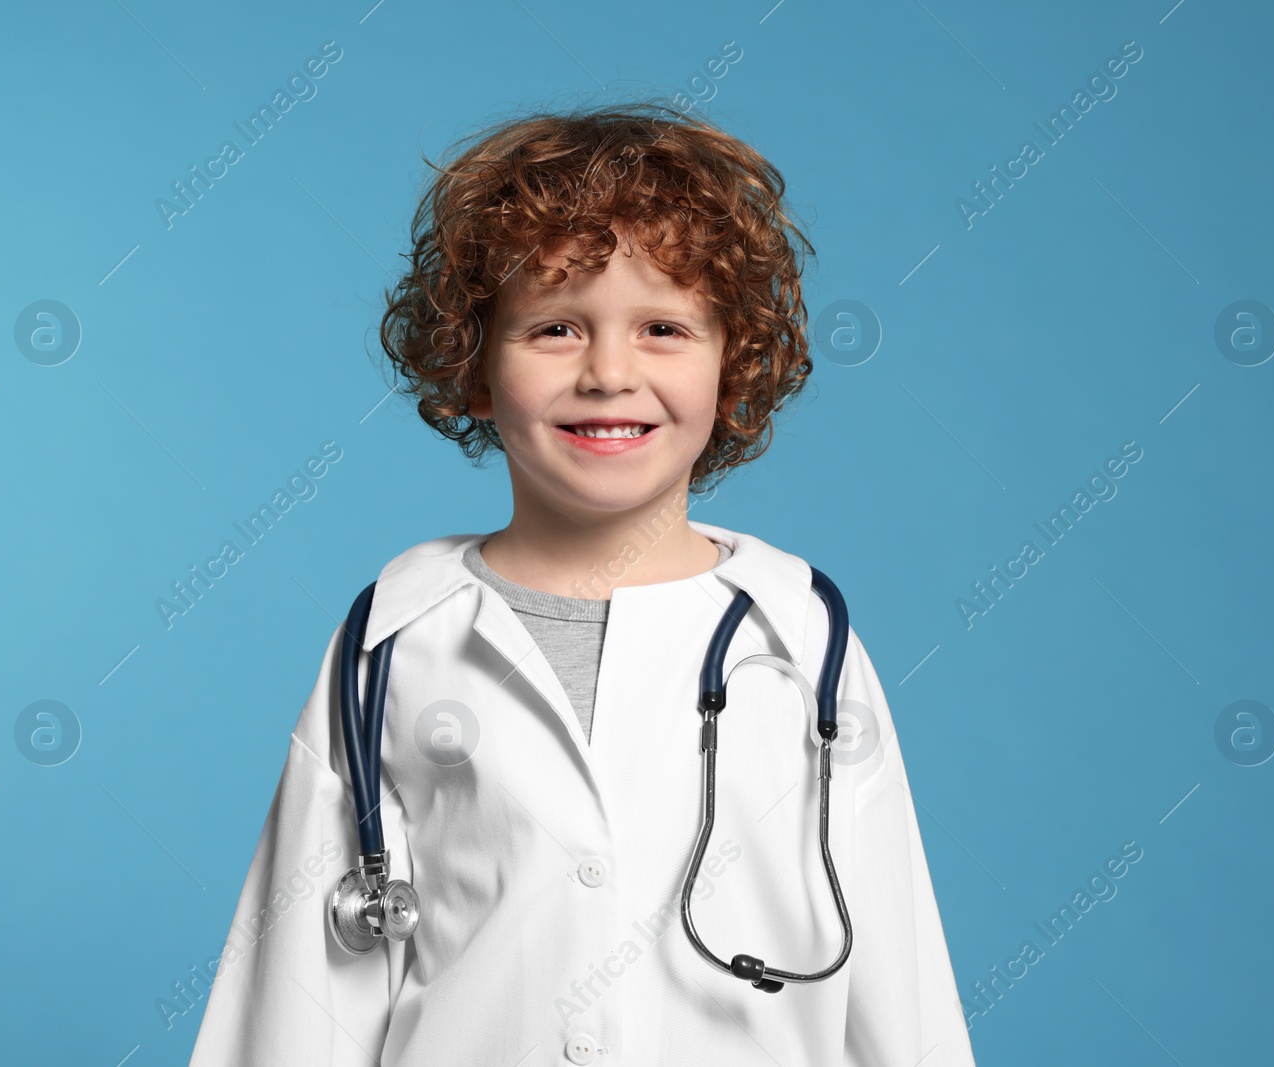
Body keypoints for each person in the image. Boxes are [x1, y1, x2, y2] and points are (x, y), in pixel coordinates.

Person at [189, 102, 975, 1066]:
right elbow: (296, 1006)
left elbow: (902, 992)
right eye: (555, 327)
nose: (610, 372)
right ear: (474, 369)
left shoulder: (802, 643)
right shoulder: (394, 645)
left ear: (732, 370)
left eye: (663, 328)